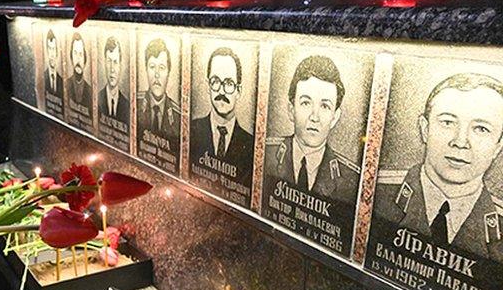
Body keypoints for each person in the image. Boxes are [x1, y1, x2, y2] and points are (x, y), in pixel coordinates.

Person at [375, 73, 503, 257]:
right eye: (447, 122)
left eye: (481, 129)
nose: (460, 142)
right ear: (425, 129)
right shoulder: (375, 191)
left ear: (498, 146)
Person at [265, 55, 360, 200]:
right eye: (306, 103)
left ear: (334, 117)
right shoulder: (266, 155)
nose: (314, 117)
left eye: (325, 106)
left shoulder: (350, 181)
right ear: (291, 110)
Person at [190, 47, 254, 183]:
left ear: (238, 91)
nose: (222, 92)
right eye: (216, 81)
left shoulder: (251, 145)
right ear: (208, 86)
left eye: (229, 83)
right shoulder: (191, 130)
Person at [136, 38, 178, 149]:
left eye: (162, 68)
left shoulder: (178, 115)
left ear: (169, 71)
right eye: (152, 67)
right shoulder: (134, 104)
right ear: (146, 69)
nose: (157, 75)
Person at [97, 35, 129, 120]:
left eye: (115, 62)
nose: (112, 69)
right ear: (104, 63)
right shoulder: (97, 98)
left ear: (120, 65)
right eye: (109, 61)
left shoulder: (127, 105)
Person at [43, 28, 62, 97]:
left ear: (57, 52)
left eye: (53, 49)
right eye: (49, 49)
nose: (52, 54)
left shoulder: (62, 81)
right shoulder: (43, 77)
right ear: (46, 51)